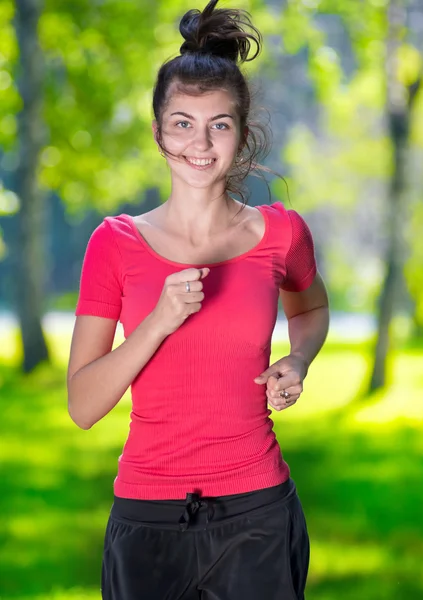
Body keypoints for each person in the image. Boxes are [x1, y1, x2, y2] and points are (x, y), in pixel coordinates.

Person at [66, 2, 330, 598]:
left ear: (241, 132)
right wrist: (159, 321)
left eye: (220, 124)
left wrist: (299, 359)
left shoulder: (282, 232)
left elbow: (310, 309)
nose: (201, 143)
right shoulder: (116, 243)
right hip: (147, 517)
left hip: (257, 514)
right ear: (158, 130)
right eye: (183, 122)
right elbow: (83, 405)